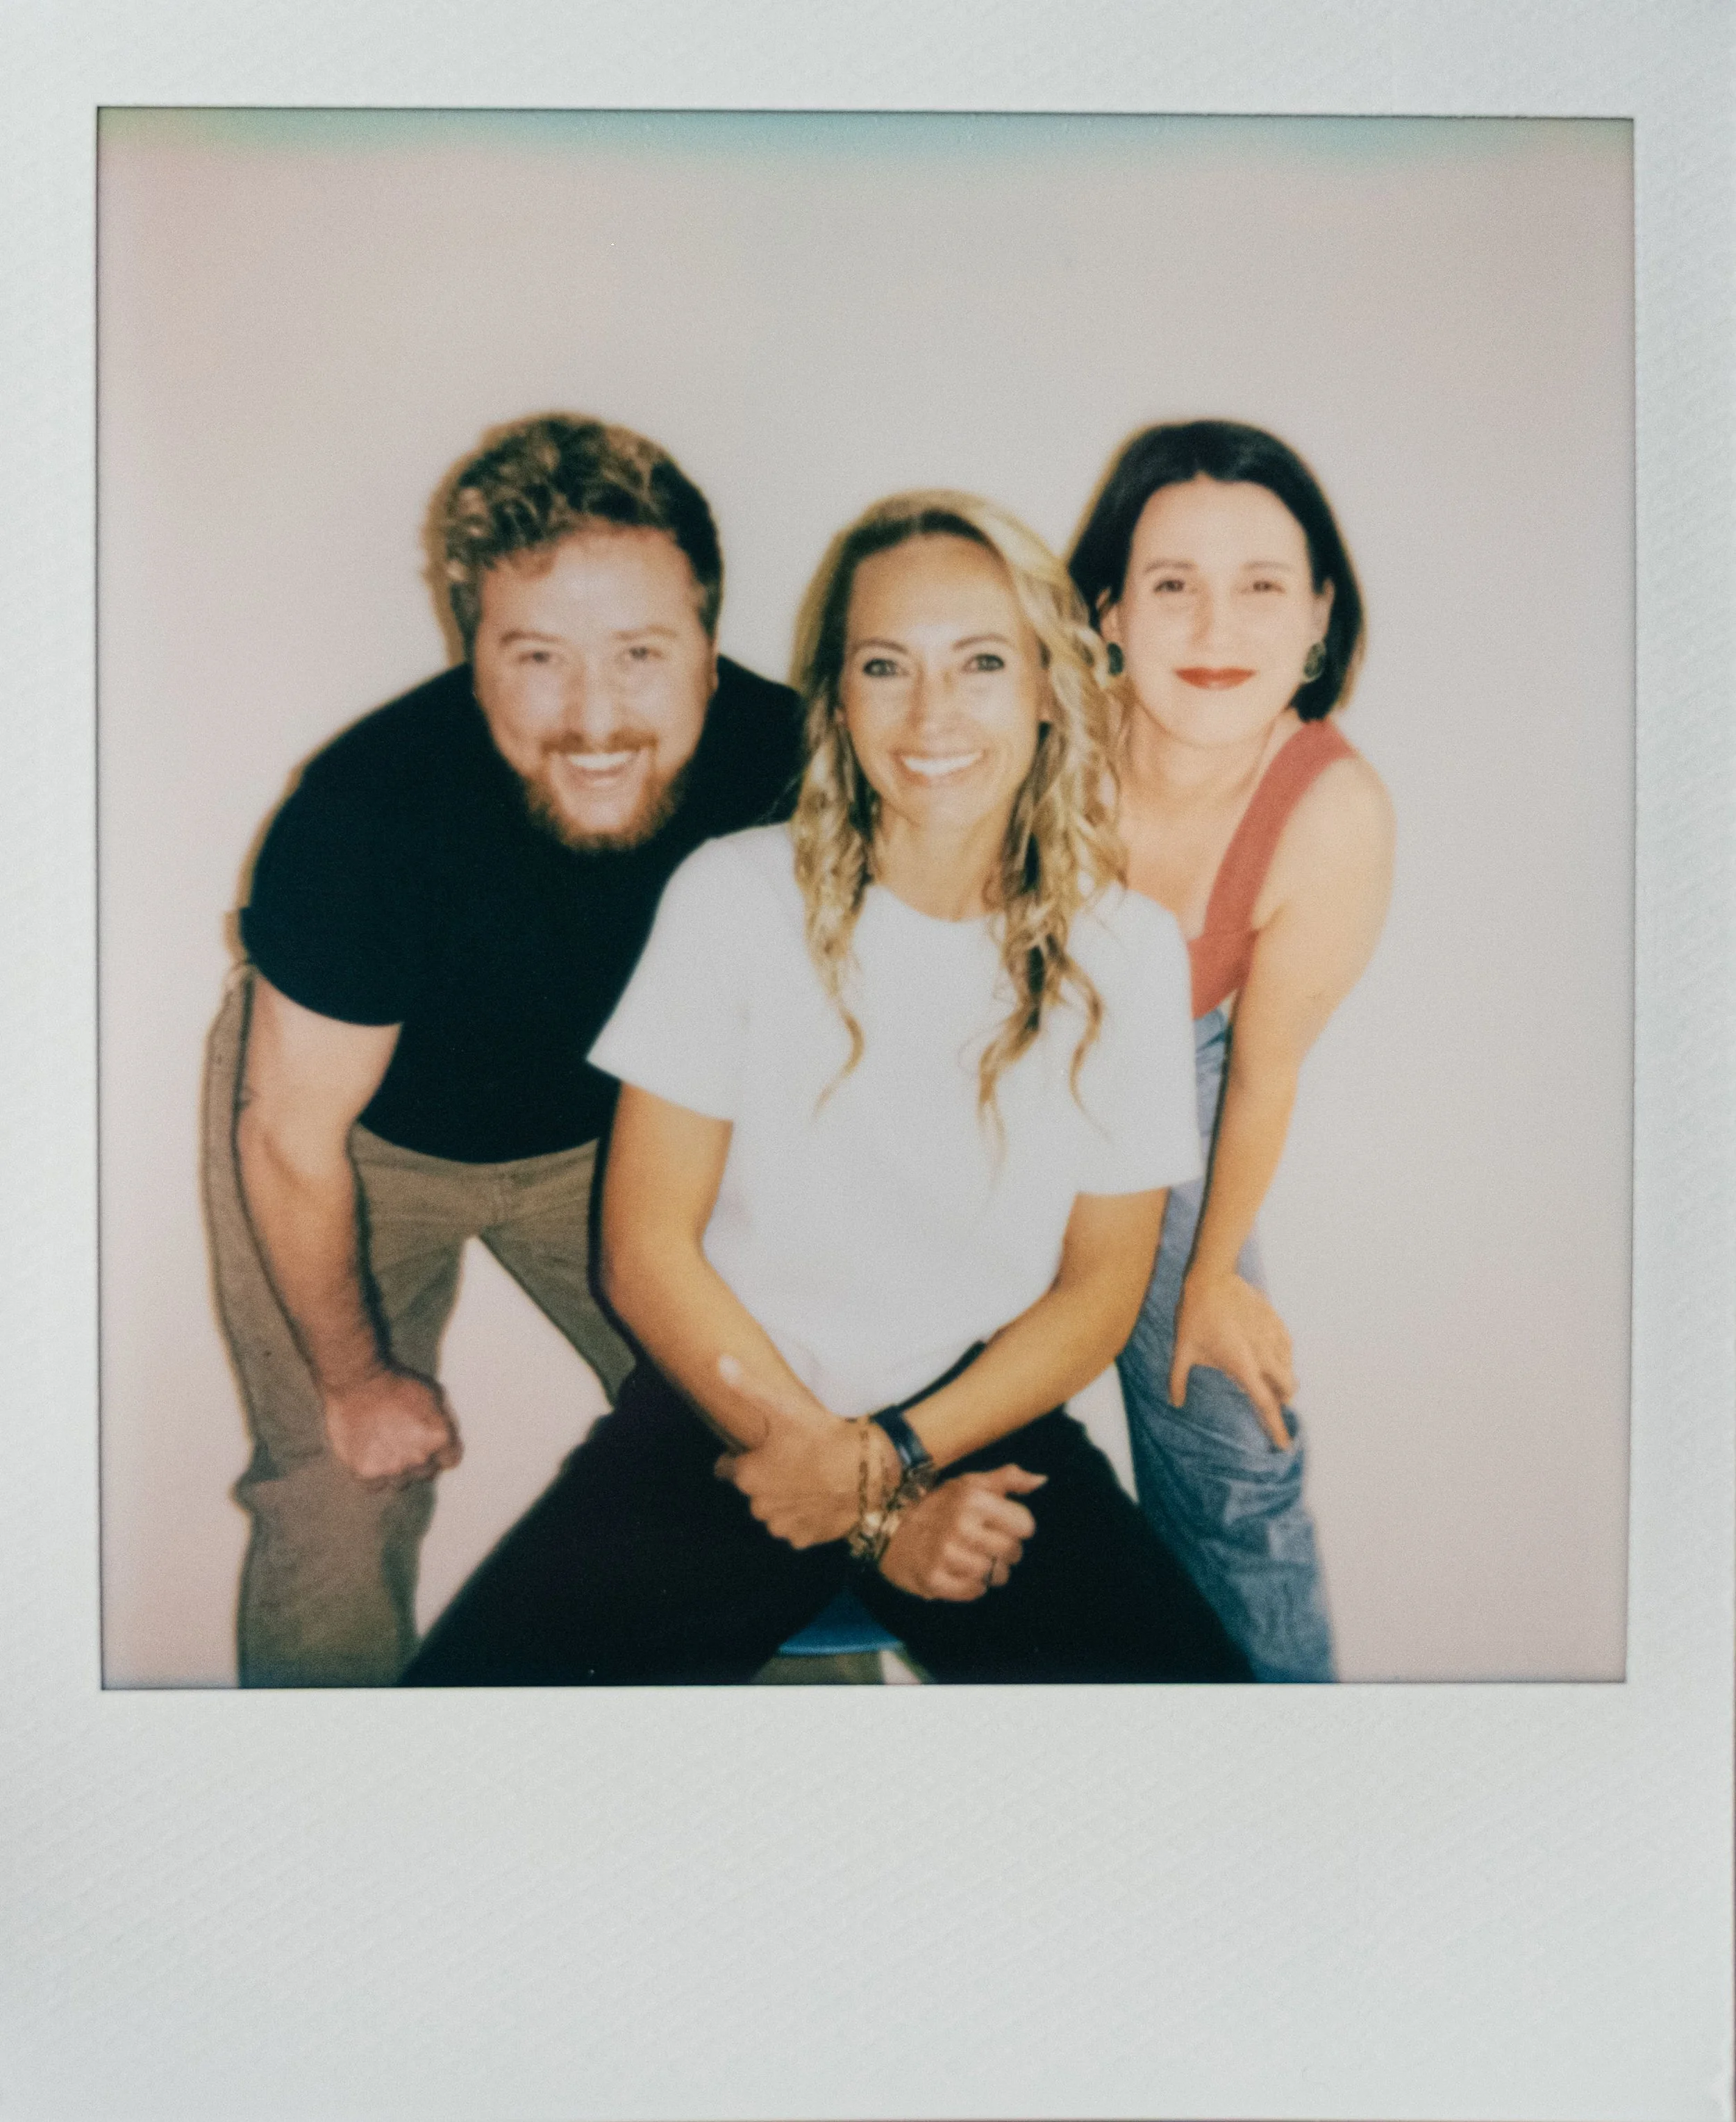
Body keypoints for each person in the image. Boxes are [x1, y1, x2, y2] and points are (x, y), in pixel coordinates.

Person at [402, 491, 1251, 1687]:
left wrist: (889, 1459)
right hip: (728, 1414)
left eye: (983, 663)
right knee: (452, 1755)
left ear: (1052, 686)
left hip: (978, 1428)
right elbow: (645, 1252)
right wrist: (871, 1508)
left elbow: (1100, 1291)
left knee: (1205, 1771)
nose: (931, 712)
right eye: (886, 665)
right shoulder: (738, 898)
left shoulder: (1126, 950)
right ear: (839, 698)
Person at [204, 414, 803, 1686]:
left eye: (641, 652)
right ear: (471, 650)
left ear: (709, 644)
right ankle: (315, 1845)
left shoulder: (795, 766)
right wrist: (362, 1378)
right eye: (538, 656)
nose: (596, 719)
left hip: (615, 1141)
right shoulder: (362, 816)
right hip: (354, 1146)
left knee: (768, 1446)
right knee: (335, 1491)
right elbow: (288, 1136)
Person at [1068, 420, 1396, 1682]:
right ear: (1108, 612)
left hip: (1180, 1075)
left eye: (1263, 586)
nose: (1217, 628)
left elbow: (1257, 1072)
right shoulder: (1033, 732)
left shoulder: (1331, 810)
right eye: (1172, 586)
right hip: (979, 1056)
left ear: (1319, 616)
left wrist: (1210, 1278)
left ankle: (1286, 1799)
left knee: (1234, 1449)